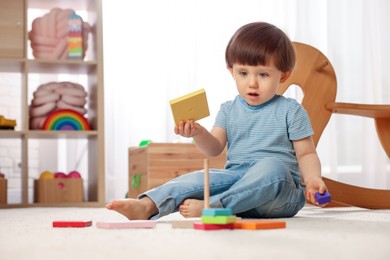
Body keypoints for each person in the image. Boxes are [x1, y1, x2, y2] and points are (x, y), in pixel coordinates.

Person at [106, 21, 328, 220]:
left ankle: (213, 207)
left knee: (272, 168)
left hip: (279, 195)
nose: (252, 83)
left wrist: (312, 178)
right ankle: (148, 205)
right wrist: (198, 133)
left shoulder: (291, 110)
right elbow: (213, 148)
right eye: (243, 73)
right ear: (231, 72)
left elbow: (306, 153)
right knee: (202, 177)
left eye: (263, 75)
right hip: (238, 183)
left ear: (283, 75)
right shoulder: (229, 110)